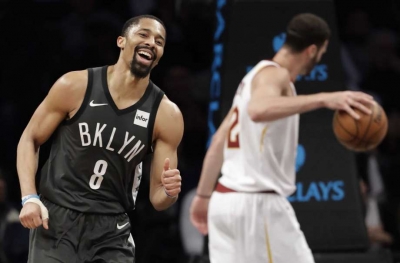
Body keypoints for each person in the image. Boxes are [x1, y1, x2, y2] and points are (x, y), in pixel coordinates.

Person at [190, 13, 375, 263]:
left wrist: (203, 196)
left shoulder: (250, 80)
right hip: (257, 204)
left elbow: (218, 143)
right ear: (312, 50)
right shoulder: (274, 75)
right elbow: (258, 111)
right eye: (322, 52)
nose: (320, 57)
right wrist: (324, 98)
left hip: (224, 200)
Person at [17, 14, 184, 263]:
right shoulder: (75, 85)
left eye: (159, 42)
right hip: (57, 219)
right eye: (144, 34)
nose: (152, 43)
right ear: (121, 41)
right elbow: (30, 138)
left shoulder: (166, 114)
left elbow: (158, 199)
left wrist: (170, 192)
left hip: (111, 230)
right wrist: (29, 198)